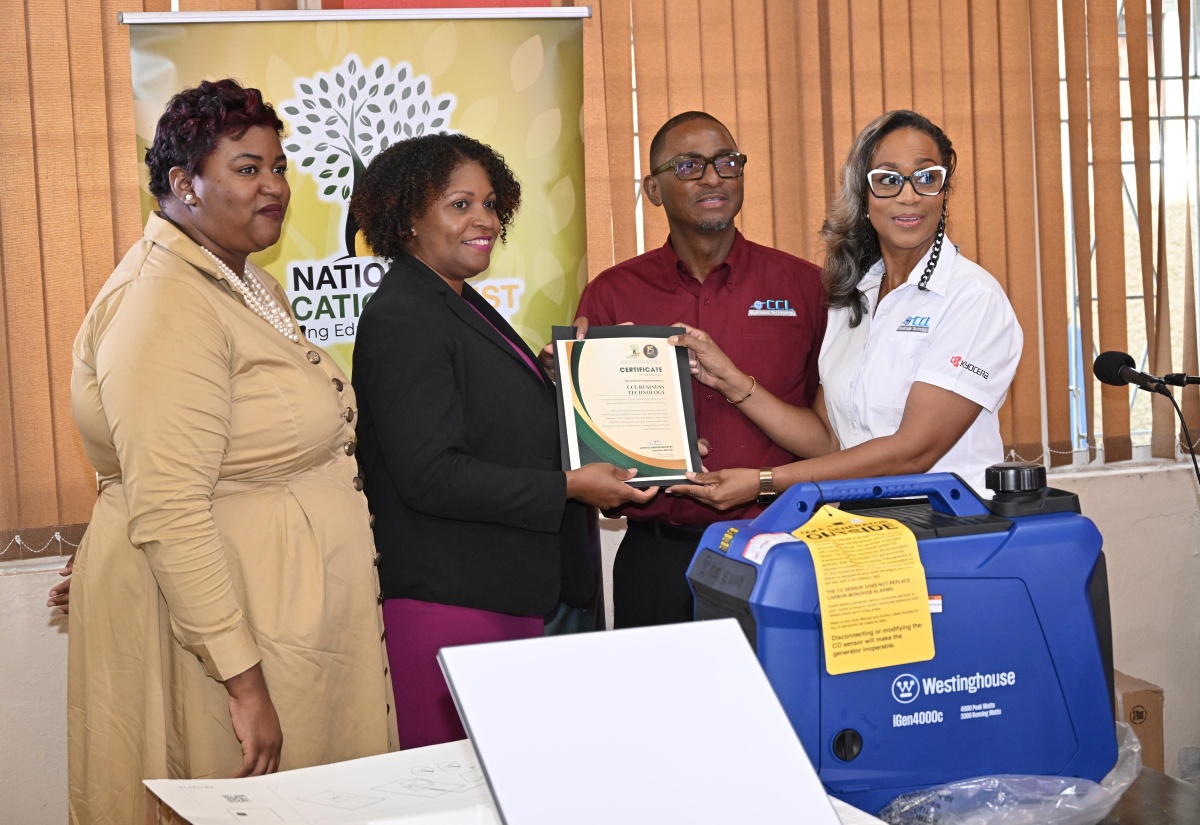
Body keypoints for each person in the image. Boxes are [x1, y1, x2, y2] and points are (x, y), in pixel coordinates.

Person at [66, 79, 394, 824]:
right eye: (248, 169)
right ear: (184, 183)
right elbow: (171, 504)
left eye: (279, 166)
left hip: (277, 611)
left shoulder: (246, 282)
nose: (275, 186)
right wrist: (244, 687)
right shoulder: (164, 301)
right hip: (225, 642)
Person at [349, 132, 656, 750]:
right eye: (459, 204)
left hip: (499, 591)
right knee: (452, 797)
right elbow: (430, 473)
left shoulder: (457, 300)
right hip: (449, 598)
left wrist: (562, 384)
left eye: (491, 204)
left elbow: (490, 424)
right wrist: (572, 485)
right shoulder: (405, 314)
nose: (484, 220)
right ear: (408, 216)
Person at [667, 110, 1024, 509]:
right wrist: (729, 380)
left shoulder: (972, 297)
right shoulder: (855, 296)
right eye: (887, 180)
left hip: (952, 529)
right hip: (866, 530)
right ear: (863, 195)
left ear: (944, 191)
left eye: (926, 178)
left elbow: (913, 451)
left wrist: (764, 482)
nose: (909, 196)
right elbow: (829, 438)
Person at [568, 111, 827, 628]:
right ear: (654, 189)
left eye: (727, 162)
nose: (713, 177)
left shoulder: (808, 288)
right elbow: (593, 437)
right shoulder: (612, 294)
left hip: (778, 550)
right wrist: (568, 388)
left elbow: (833, 438)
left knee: (779, 708)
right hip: (657, 559)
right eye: (689, 165)